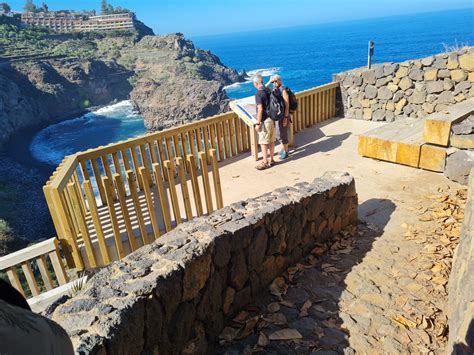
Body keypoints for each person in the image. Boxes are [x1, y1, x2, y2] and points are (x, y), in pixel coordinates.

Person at [253, 74, 276, 169]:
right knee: (271, 140)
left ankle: (265, 162)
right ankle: (272, 159)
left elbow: (260, 109)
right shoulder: (268, 90)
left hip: (265, 121)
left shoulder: (258, 94)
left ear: (255, 83)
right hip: (272, 119)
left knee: (263, 142)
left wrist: (258, 123)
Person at [267, 75, 290, 159]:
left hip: (283, 116)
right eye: (273, 82)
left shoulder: (283, 90)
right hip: (278, 115)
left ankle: (286, 151)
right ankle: (283, 148)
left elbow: (287, 105)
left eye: (276, 81)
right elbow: (263, 90)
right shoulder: (275, 90)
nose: (274, 83)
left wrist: (286, 117)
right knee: (278, 133)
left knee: (282, 134)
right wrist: (269, 82)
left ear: (280, 81)